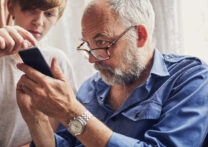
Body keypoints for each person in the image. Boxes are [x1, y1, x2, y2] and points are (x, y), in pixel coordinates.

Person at [16, 0, 208, 146]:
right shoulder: (91, 88)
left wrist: (71, 111)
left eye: (101, 43)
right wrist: (36, 118)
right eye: (88, 45)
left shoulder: (191, 78)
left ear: (140, 36)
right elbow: (70, 142)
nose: (92, 59)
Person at [0, 0, 77, 147]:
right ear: (11, 7)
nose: (39, 21)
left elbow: (69, 127)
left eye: (49, 14)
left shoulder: (57, 62)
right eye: (31, 10)